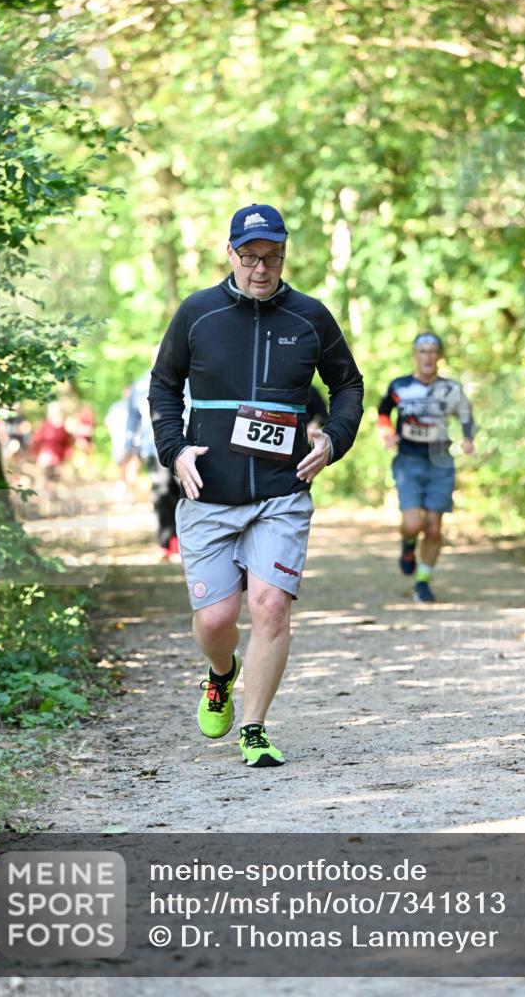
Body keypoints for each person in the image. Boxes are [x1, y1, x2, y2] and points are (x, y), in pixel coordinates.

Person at [149, 203, 363, 767]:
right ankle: (222, 674)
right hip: (208, 493)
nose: (261, 269)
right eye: (250, 257)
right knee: (217, 620)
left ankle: (254, 727)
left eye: (272, 257)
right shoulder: (197, 313)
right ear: (231, 255)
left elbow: (349, 385)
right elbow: (164, 385)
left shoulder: (310, 318)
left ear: (284, 256)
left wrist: (333, 440)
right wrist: (173, 450)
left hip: (281, 491)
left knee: (270, 607)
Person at [377, 332, 475, 603]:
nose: (428, 356)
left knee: (433, 527)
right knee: (413, 523)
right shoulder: (400, 386)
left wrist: (468, 438)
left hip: (439, 458)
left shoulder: (450, 389)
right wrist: (387, 433)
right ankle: (408, 545)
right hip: (408, 458)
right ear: (415, 355)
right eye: (423, 351)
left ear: (439, 356)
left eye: (433, 351)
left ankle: (423, 581)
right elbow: (383, 411)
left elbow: (466, 415)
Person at [126, 366, 182, 558]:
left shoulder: (189, 379)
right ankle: (166, 543)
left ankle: (187, 542)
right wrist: (130, 448)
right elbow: (132, 419)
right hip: (153, 448)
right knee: (162, 493)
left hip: (184, 448)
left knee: (185, 494)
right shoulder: (141, 384)